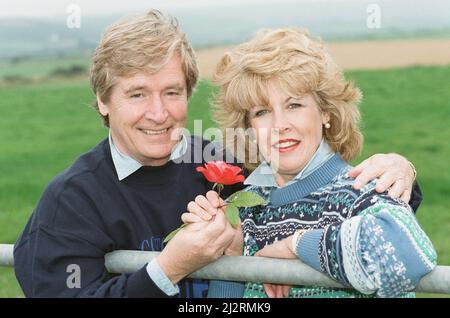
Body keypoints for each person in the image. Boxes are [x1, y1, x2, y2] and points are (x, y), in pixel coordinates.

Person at [14, 10, 421, 298]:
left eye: (171, 92)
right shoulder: (70, 201)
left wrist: (399, 173)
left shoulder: (221, 164)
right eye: (137, 94)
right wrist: (168, 268)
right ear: (103, 100)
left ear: (188, 93)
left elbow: (318, 189)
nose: (158, 113)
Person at [183, 27, 436, 298]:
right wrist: (231, 258)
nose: (280, 125)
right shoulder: (245, 209)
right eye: (263, 112)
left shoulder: (365, 188)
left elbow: (408, 255)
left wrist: (296, 245)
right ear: (249, 128)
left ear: (325, 112)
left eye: (294, 105)